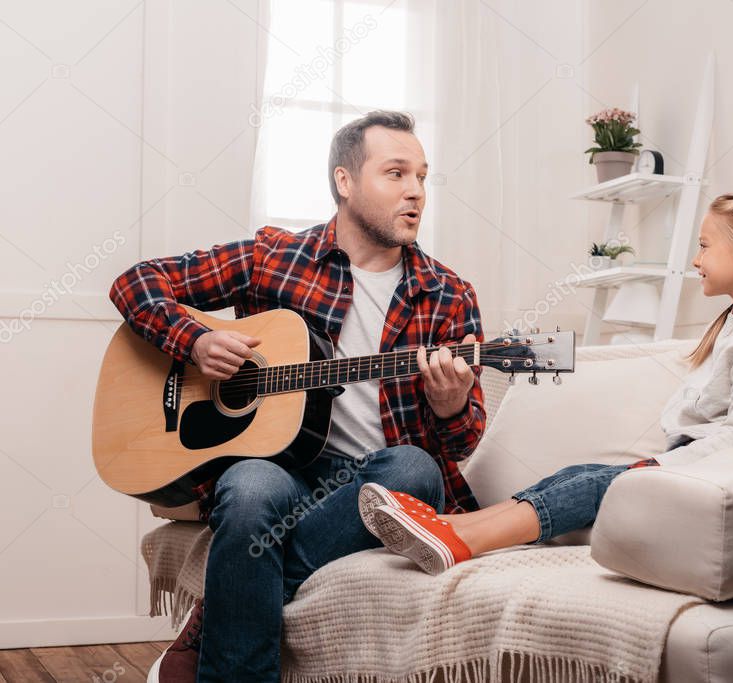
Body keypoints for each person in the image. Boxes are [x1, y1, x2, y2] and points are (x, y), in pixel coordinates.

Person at [108, 110, 486, 682]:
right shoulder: (275, 256)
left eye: (423, 177)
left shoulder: (448, 294)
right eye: (396, 173)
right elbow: (134, 282)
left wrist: (450, 404)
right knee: (250, 488)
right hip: (278, 465)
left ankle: (214, 616)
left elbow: (461, 443)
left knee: (415, 470)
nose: (416, 192)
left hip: (372, 479)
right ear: (345, 181)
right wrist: (196, 340)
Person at [360, 189, 733, 575]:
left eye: (703, 246)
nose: (695, 259)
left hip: (729, 482)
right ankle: (450, 526)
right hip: (701, 470)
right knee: (579, 476)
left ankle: (463, 540)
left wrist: (659, 465)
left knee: (594, 485)